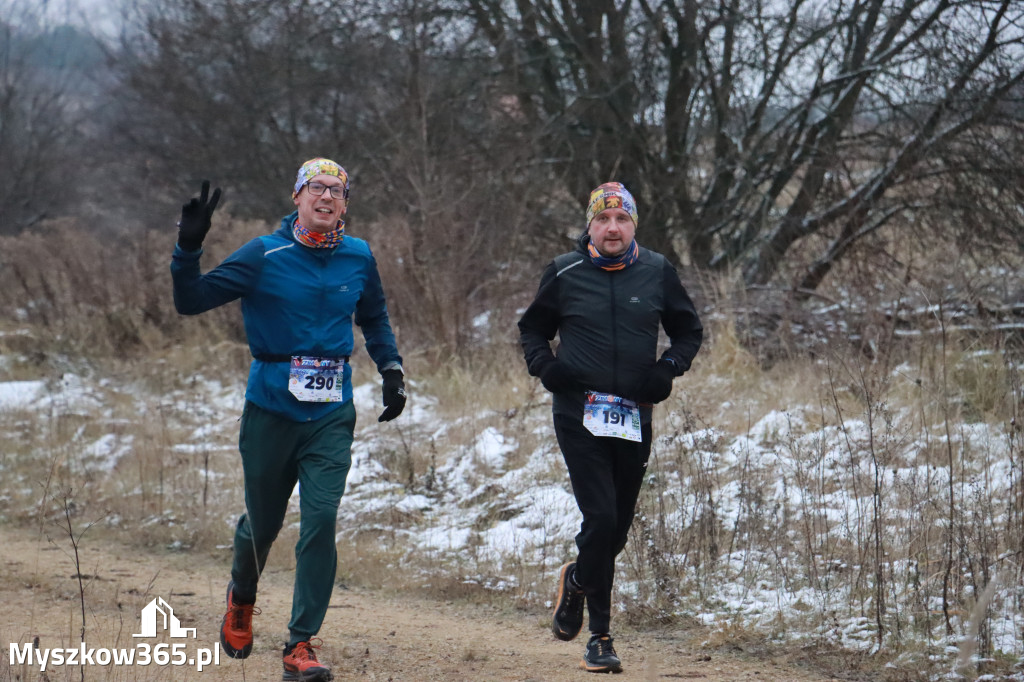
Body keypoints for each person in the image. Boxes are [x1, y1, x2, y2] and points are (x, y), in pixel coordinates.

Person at [170, 158, 407, 682]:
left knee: (321, 519)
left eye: (337, 191)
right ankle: (242, 597)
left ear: (345, 204)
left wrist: (390, 367)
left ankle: (301, 645)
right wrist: (188, 249)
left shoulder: (359, 256)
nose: (327, 197)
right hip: (271, 408)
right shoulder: (264, 253)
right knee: (263, 523)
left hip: (330, 412)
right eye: (316, 188)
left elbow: (374, 316)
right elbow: (191, 301)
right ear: (297, 197)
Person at [518, 182, 703, 673]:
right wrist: (546, 367)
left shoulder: (658, 271)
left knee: (615, 530)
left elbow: (689, 331)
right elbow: (532, 328)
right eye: (603, 219)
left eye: (622, 219)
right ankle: (600, 638)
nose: (613, 227)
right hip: (578, 414)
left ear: (634, 225)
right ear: (590, 225)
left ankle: (578, 578)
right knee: (600, 518)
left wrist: (667, 369)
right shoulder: (564, 271)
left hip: (632, 417)